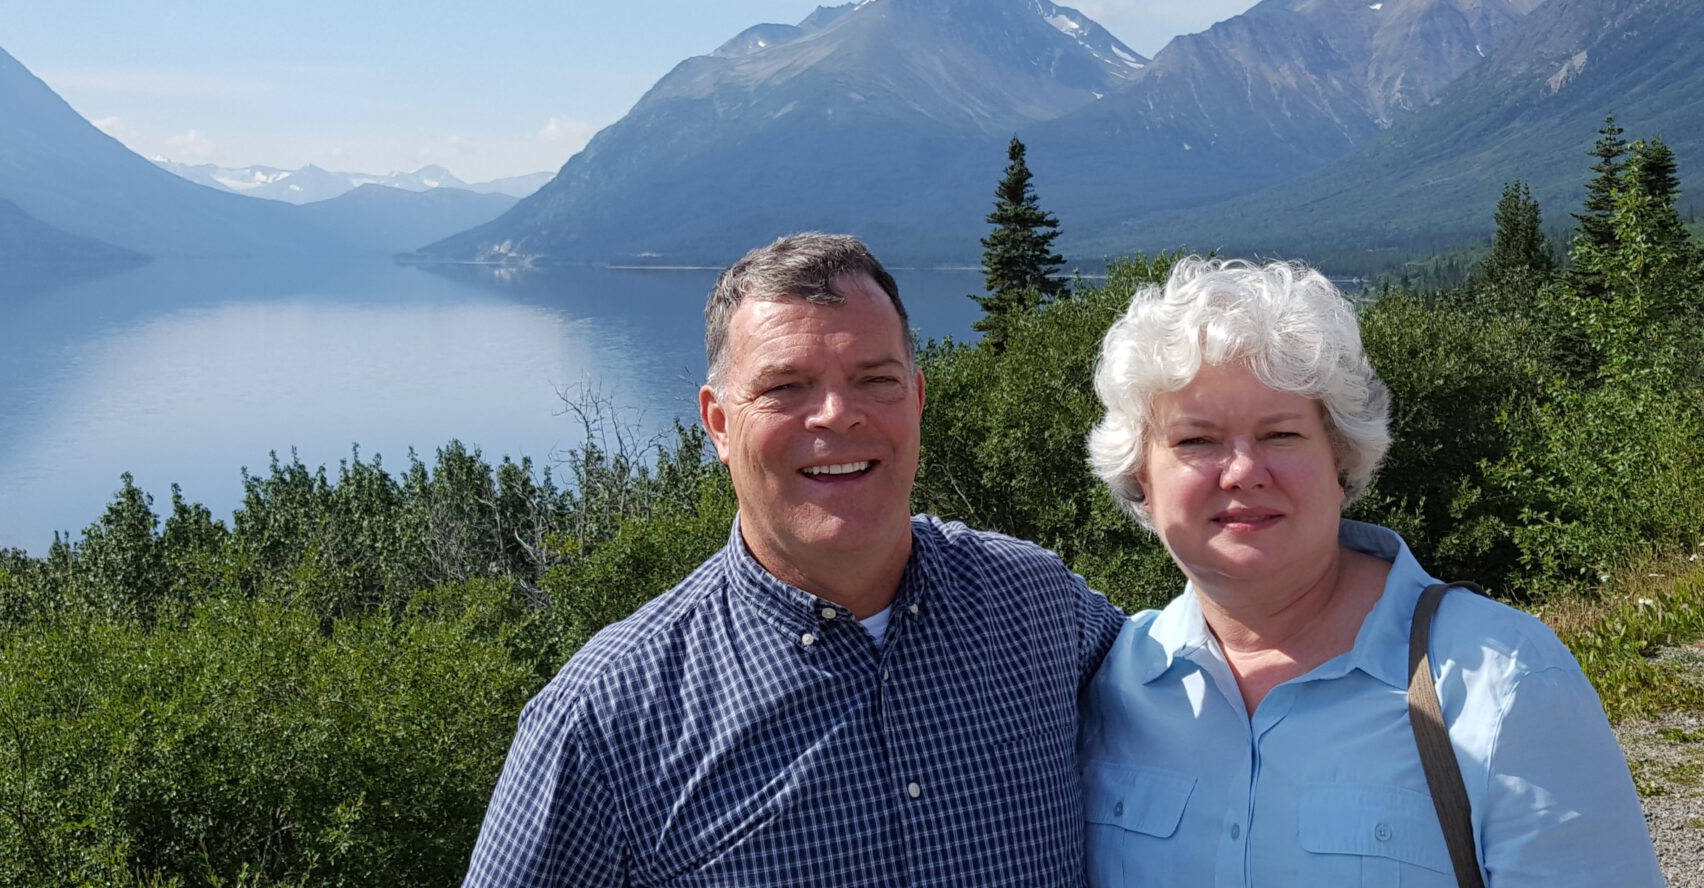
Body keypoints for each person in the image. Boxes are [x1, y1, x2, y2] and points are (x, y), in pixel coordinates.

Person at [465, 232, 1122, 887]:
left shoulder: (1038, 607)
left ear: (918, 400)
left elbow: (1208, 685)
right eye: (786, 387)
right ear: (719, 424)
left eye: (875, 380)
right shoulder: (606, 723)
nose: (837, 414)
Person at [1079, 256, 1663, 886]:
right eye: (1197, 441)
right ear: (1142, 475)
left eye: (1280, 434)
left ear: (1342, 458)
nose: (1244, 470)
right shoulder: (1105, 684)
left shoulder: (1500, 679)